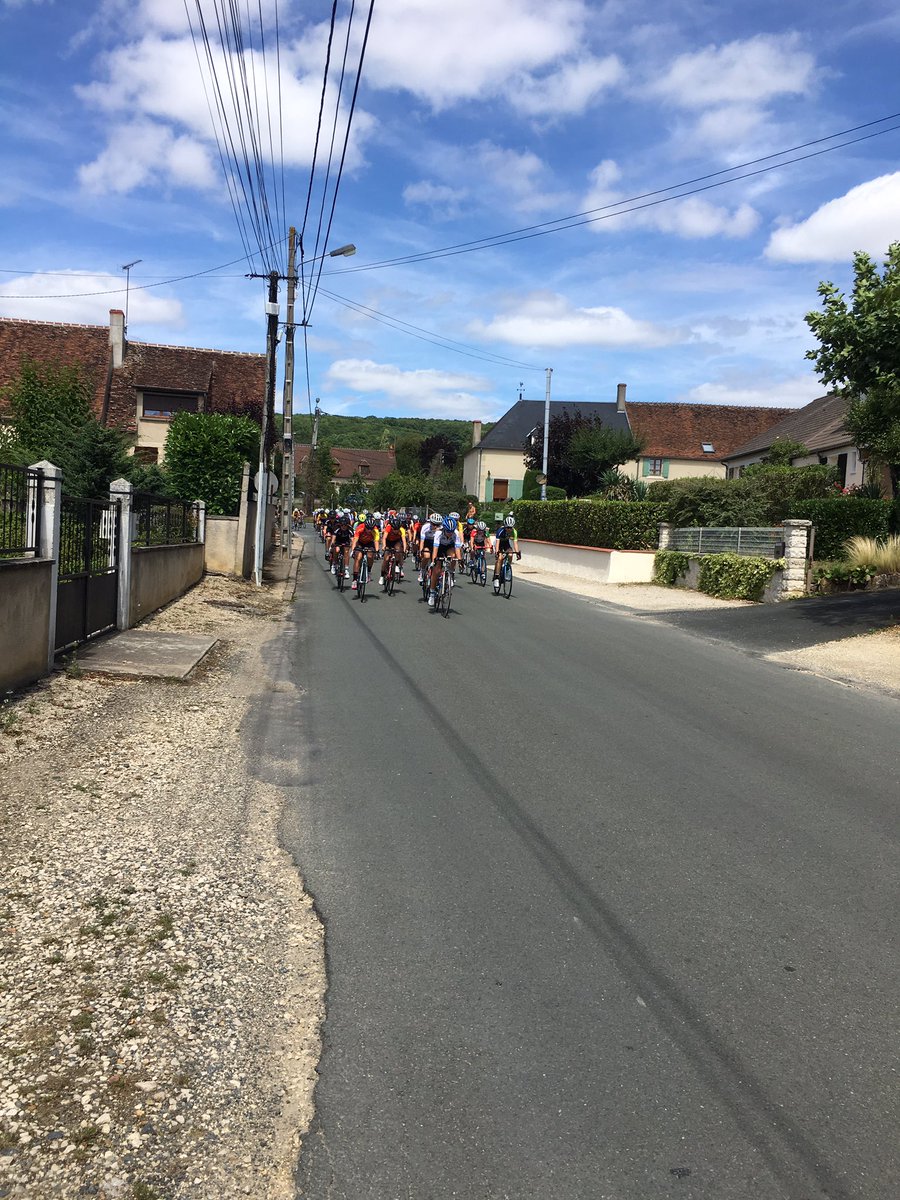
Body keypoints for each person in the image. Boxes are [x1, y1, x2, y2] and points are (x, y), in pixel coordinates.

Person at [428, 515, 462, 608]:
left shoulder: (456, 533)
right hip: (439, 548)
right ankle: (432, 592)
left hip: (449, 547)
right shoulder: (438, 533)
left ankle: (450, 573)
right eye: (448, 531)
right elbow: (435, 549)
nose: (450, 533)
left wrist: (460, 561)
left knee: (453, 556)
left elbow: (457, 548)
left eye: (451, 531)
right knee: (437, 570)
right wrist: (434, 561)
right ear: (444, 529)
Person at [350, 515, 379, 592]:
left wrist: (377, 551)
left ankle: (368, 571)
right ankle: (355, 580)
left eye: (371, 529)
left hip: (369, 543)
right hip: (360, 542)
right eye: (368, 528)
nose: (369, 530)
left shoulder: (375, 530)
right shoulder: (360, 527)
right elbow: (355, 540)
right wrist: (353, 550)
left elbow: (376, 542)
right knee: (358, 557)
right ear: (365, 526)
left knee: (370, 556)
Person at [492, 514, 520, 592]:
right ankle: (497, 577)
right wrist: (497, 552)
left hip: (506, 544)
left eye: (510, 528)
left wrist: (517, 552)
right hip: (499, 544)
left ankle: (507, 570)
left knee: (510, 554)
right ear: (505, 526)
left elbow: (515, 543)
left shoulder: (514, 532)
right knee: (500, 558)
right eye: (507, 527)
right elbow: (497, 543)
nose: (509, 529)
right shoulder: (500, 531)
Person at [380, 512, 408, 588]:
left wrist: (405, 549)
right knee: (386, 559)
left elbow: (404, 541)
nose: (395, 531)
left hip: (396, 542)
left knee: (399, 550)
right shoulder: (388, 527)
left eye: (397, 529)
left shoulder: (401, 529)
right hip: (388, 542)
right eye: (394, 529)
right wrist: (384, 546)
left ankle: (396, 565)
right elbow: (384, 538)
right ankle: (382, 576)